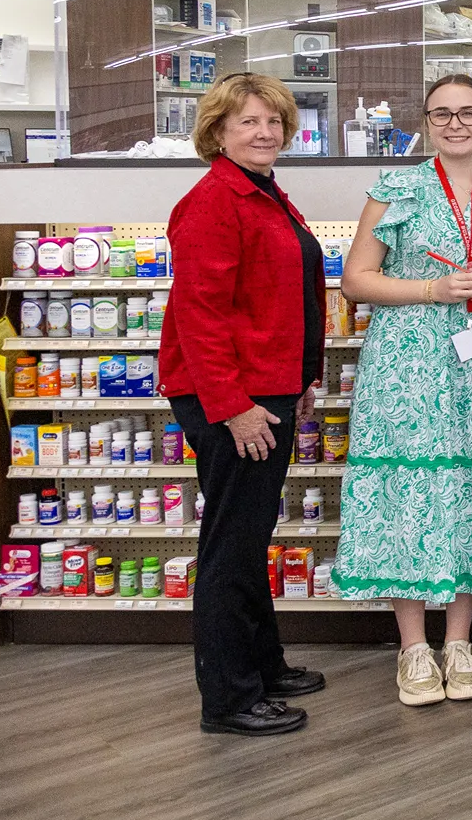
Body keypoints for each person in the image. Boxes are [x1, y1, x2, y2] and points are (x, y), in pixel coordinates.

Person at [332, 74, 472, 705]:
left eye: (468, 112)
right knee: (407, 494)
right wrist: (430, 290)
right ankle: (413, 649)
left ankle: (460, 643)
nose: (455, 123)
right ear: (425, 121)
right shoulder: (395, 189)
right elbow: (356, 280)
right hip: (405, 369)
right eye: (442, 113)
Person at [158, 73, 326, 736]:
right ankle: (228, 697)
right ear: (217, 131)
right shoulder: (212, 201)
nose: (265, 132)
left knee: (249, 533)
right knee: (231, 542)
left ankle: (262, 662)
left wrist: (302, 375)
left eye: (274, 121)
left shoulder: (263, 191)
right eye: (249, 122)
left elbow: (281, 299)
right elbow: (200, 315)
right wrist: (233, 405)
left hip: (267, 386)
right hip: (233, 398)